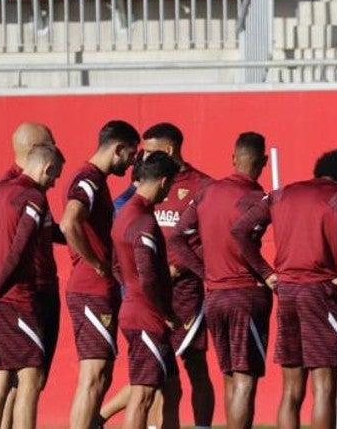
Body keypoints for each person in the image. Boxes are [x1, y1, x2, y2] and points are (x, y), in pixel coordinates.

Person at [233, 148, 337, 429]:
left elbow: (240, 230)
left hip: (287, 292)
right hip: (320, 292)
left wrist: (267, 273)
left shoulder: (280, 194)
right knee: (324, 387)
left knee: (291, 389)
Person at [168, 132, 273, 429]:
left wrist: (205, 273)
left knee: (229, 375)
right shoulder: (257, 198)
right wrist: (267, 273)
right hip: (246, 294)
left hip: (214, 296)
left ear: (232, 159)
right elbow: (243, 236)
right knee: (245, 378)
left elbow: (177, 238)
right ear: (263, 162)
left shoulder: (205, 192)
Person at [0, 122, 62, 429]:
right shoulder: (30, 195)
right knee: (31, 380)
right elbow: (19, 250)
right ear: (42, 159)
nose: (55, 184)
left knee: (0, 381)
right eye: (55, 174)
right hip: (19, 298)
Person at [61, 120, 140, 429]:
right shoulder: (88, 181)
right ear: (117, 148)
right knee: (93, 375)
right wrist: (95, 263)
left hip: (98, 289)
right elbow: (70, 223)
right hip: (90, 289)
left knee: (102, 373)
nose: (132, 162)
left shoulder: (96, 181)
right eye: (131, 155)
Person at [139, 122, 215, 429]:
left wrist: (178, 268)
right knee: (156, 368)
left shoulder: (203, 186)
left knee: (195, 363)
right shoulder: (147, 184)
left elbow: (210, 241)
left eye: (150, 151)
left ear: (169, 150)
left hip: (186, 291)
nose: (144, 158)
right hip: (151, 293)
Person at [113, 152, 184, 429]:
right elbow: (148, 277)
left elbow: (116, 266)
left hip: (136, 309)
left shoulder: (124, 214)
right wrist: (165, 311)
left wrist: (131, 292)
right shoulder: (143, 221)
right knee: (142, 394)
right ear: (164, 182)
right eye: (170, 186)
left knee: (172, 388)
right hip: (146, 316)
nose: (168, 192)